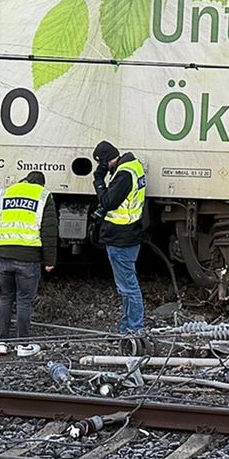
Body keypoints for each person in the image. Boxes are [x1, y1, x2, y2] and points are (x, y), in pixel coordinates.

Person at [0, 170, 57, 357]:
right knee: (24, 301)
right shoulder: (43, 195)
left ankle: (2, 343)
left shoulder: (6, 192)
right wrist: (50, 260)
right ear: (40, 184)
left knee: (5, 298)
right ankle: (23, 345)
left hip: (4, 255)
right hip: (28, 257)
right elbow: (49, 230)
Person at [92, 140, 147, 334]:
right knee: (126, 285)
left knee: (127, 287)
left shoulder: (124, 174)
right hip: (130, 234)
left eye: (102, 164)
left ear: (107, 161)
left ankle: (135, 328)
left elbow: (108, 201)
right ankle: (127, 327)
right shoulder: (134, 166)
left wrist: (99, 181)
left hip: (120, 236)